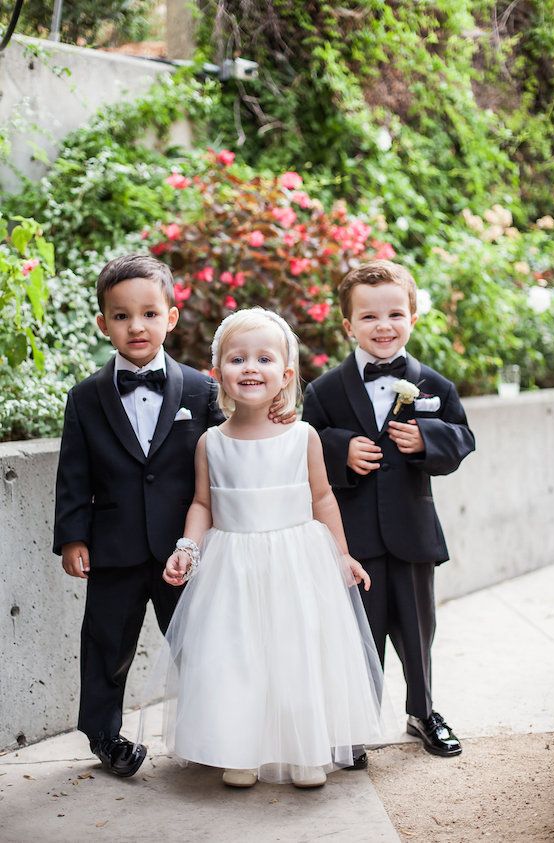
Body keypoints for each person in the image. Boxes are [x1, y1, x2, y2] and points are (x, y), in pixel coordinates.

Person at [53, 256, 292, 778]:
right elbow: (74, 473)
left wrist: (272, 415)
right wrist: (73, 536)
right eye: (121, 316)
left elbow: (228, 451)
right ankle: (104, 735)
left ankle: (219, 732)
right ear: (103, 324)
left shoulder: (199, 389)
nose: (136, 326)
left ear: (171, 317)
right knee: (106, 642)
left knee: (202, 641)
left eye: (148, 313)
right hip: (112, 546)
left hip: (185, 550)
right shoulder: (86, 397)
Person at [156, 308, 393, 789]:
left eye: (264, 358)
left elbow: (323, 498)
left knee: (297, 653)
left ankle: (305, 749)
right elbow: (203, 503)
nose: (250, 367)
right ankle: (240, 749)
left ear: (285, 375)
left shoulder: (301, 437)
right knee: (236, 657)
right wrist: (187, 547)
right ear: (218, 372)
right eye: (237, 358)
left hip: (296, 564)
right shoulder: (210, 443)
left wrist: (342, 555)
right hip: (232, 567)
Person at [302, 260, 475, 758]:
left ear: (413, 317)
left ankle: (422, 710)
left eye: (395, 314)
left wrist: (428, 438)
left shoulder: (434, 386)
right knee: (359, 631)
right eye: (369, 317)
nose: (383, 326)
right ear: (348, 325)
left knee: (419, 630)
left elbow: (463, 438)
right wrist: (341, 450)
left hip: (413, 530)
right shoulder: (325, 390)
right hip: (353, 536)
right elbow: (305, 445)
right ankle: (355, 722)